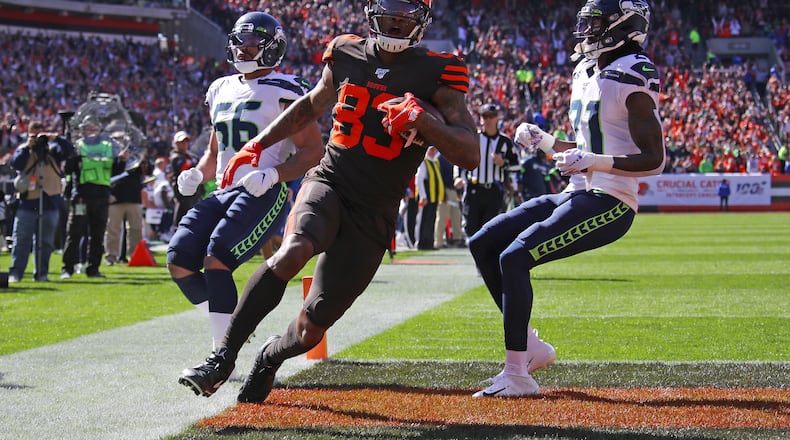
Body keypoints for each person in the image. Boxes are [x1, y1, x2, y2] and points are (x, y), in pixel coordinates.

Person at [178, 0, 479, 402]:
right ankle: (222, 359)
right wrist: (259, 143)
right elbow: (314, 103)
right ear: (373, 11)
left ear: (420, 22)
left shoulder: (439, 69)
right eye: (390, 12)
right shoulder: (344, 50)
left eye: (405, 16)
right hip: (330, 181)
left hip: (376, 208)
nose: (396, 22)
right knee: (292, 251)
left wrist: (422, 121)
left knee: (310, 327)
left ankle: (269, 356)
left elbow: (470, 153)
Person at [469, 0, 665, 397]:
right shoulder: (586, 70)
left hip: (611, 201)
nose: (587, 32)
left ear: (622, 26)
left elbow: (654, 159)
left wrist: (593, 160)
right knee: (484, 243)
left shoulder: (634, 72)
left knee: (514, 256)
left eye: (595, 24)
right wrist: (543, 141)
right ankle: (532, 346)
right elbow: (587, 146)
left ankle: (518, 374)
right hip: (579, 190)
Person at [166, 11, 324, 378]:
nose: (244, 49)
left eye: (254, 44)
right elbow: (215, 153)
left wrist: (274, 174)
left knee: (217, 255)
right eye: (240, 42)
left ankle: (223, 357)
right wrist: (195, 173)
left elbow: (313, 151)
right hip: (225, 189)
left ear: (272, 48)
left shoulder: (288, 88)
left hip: (263, 191)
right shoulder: (220, 87)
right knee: (178, 259)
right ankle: (234, 328)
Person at [8, 121, 73, 282]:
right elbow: (16, 163)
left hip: (50, 201)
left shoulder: (53, 150)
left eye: (40, 133)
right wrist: (27, 146)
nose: (38, 137)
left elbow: (69, 151)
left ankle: (42, 272)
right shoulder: (24, 150)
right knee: (21, 239)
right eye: (34, 133)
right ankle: (16, 272)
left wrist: (55, 138)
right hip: (28, 202)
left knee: (45, 242)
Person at [61, 117, 117, 279]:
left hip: (101, 196)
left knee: (97, 235)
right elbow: (69, 169)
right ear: (83, 131)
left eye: (95, 129)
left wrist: (122, 159)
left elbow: (114, 169)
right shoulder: (78, 146)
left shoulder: (107, 147)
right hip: (81, 196)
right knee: (74, 232)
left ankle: (93, 268)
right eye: (89, 129)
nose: (92, 132)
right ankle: (68, 268)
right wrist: (72, 155)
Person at [455, 103, 519, 243]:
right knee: (471, 228)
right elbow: (460, 157)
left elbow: (517, 166)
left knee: (490, 229)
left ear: (497, 118)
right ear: (481, 119)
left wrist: (504, 164)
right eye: (485, 116)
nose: (488, 120)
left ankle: (485, 262)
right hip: (474, 188)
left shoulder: (505, 142)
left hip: (494, 190)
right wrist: (459, 177)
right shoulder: (473, 138)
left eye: (491, 116)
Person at [104, 148, 144, 265]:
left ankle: (134, 255)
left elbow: (144, 172)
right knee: (113, 229)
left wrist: (142, 158)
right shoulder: (112, 160)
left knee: (135, 229)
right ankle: (111, 256)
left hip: (134, 199)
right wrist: (121, 160)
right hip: (116, 199)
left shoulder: (136, 160)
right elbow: (112, 175)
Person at [169, 130, 203, 226]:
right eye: (182, 142)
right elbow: (184, 168)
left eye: (186, 141)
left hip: (195, 191)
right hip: (182, 191)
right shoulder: (175, 157)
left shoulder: (191, 156)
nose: (185, 144)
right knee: (182, 214)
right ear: (176, 143)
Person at [414, 146, 444, 250]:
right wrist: (423, 196)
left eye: (435, 149)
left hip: (434, 197)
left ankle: (429, 243)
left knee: (431, 220)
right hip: (426, 197)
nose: (433, 151)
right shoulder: (424, 162)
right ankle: (420, 243)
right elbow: (419, 180)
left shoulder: (435, 161)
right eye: (431, 149)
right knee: (423, 220)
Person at [434, 151, 463, 248]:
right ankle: (439, 242)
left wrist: (459, 193)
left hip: (454, 190)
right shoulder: (439, 157)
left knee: (456, 216)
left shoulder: (455, 155)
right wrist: (442, 193)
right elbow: (439, 177)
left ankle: (457, 239)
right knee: (442, 217)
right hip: (444, 190)